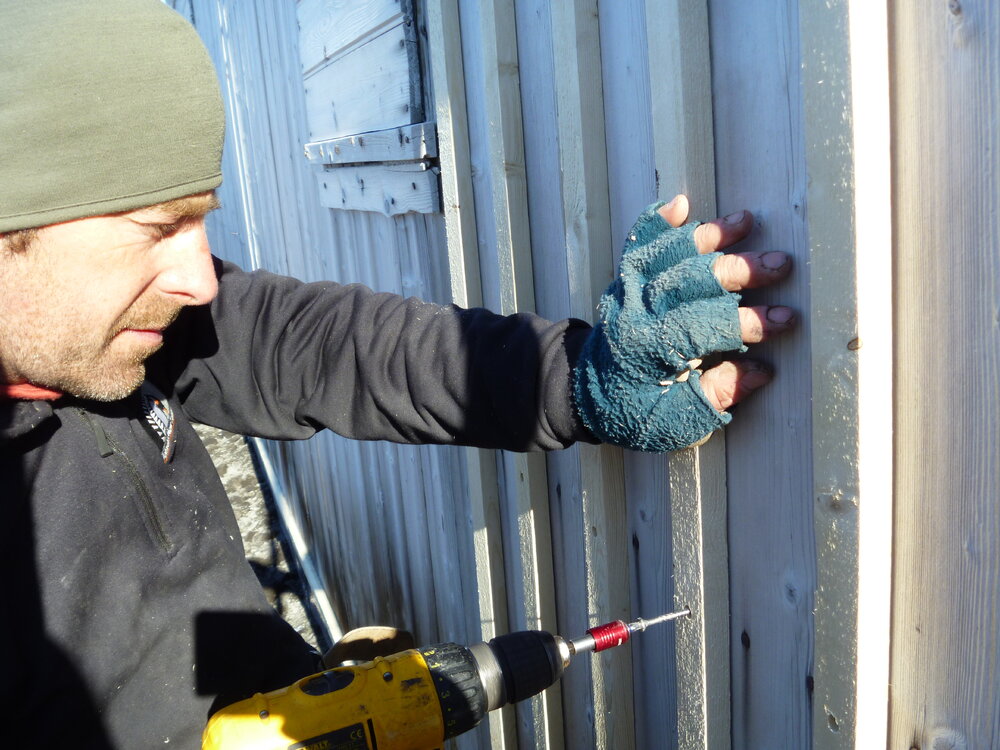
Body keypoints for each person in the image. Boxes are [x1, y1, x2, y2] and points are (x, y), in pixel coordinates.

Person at [0, 1, 795, 747]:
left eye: (201, 217)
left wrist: (574, 378)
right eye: (157, 226)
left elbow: (313, 345)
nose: (201, 279)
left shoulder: (107, 325)